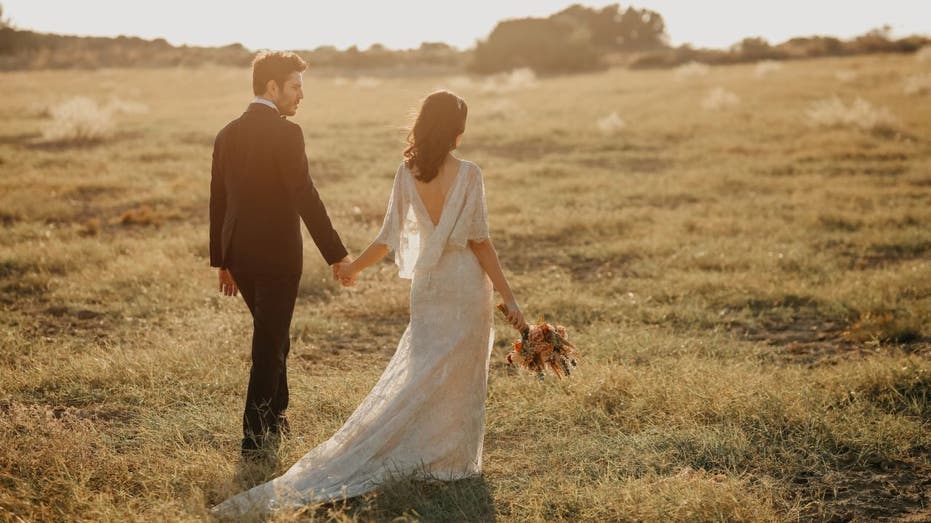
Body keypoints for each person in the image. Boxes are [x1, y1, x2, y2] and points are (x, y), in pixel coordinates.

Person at [212, 90, 525, 518]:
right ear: (458, 131)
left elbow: (387, 238)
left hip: (429, 288)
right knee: (461, 373)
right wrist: (509, 297)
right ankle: (451, 461)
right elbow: (481, 242)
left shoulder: (408, 172)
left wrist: (353, 267)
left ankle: (425, 450)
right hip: (466, 285)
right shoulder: (470, 174)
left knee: (423, 368)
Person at [209, 51, 353, 458]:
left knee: (273, 336)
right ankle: (254, 441)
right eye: (295, 87)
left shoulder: (226, 133)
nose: (300, 96)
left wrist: (222, 260)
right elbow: (305, 196)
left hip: (239, 255)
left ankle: (277, 416)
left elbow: (217, 202)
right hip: (276, 258)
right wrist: (336, 254)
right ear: (271, 88)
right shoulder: (287, 134)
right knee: (268, 344)